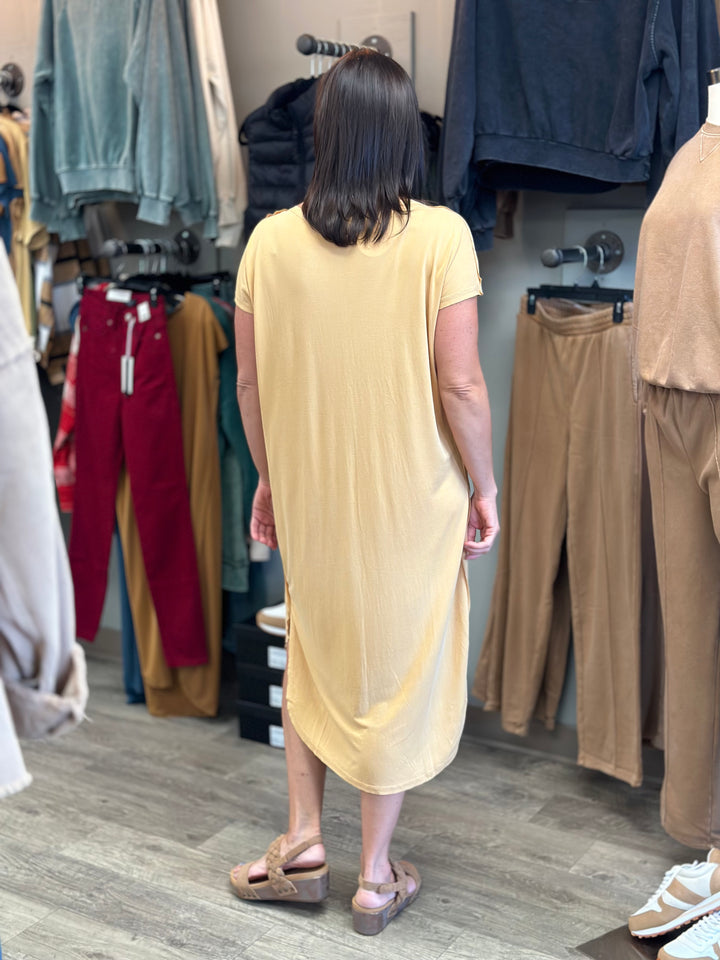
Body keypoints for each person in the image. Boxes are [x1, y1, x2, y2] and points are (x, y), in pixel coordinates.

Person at [230, 48, 498, 935]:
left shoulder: (269, 241)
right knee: (395, 668)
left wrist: (272, 478)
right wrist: (486, 486)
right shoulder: (441, 237)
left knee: (313, 648)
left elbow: (249, 386)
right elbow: (462, 386)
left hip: (312, 493)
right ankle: (375, 878)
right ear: (403, 139)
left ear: (325, 133)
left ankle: (304, 841)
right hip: (411, 502)